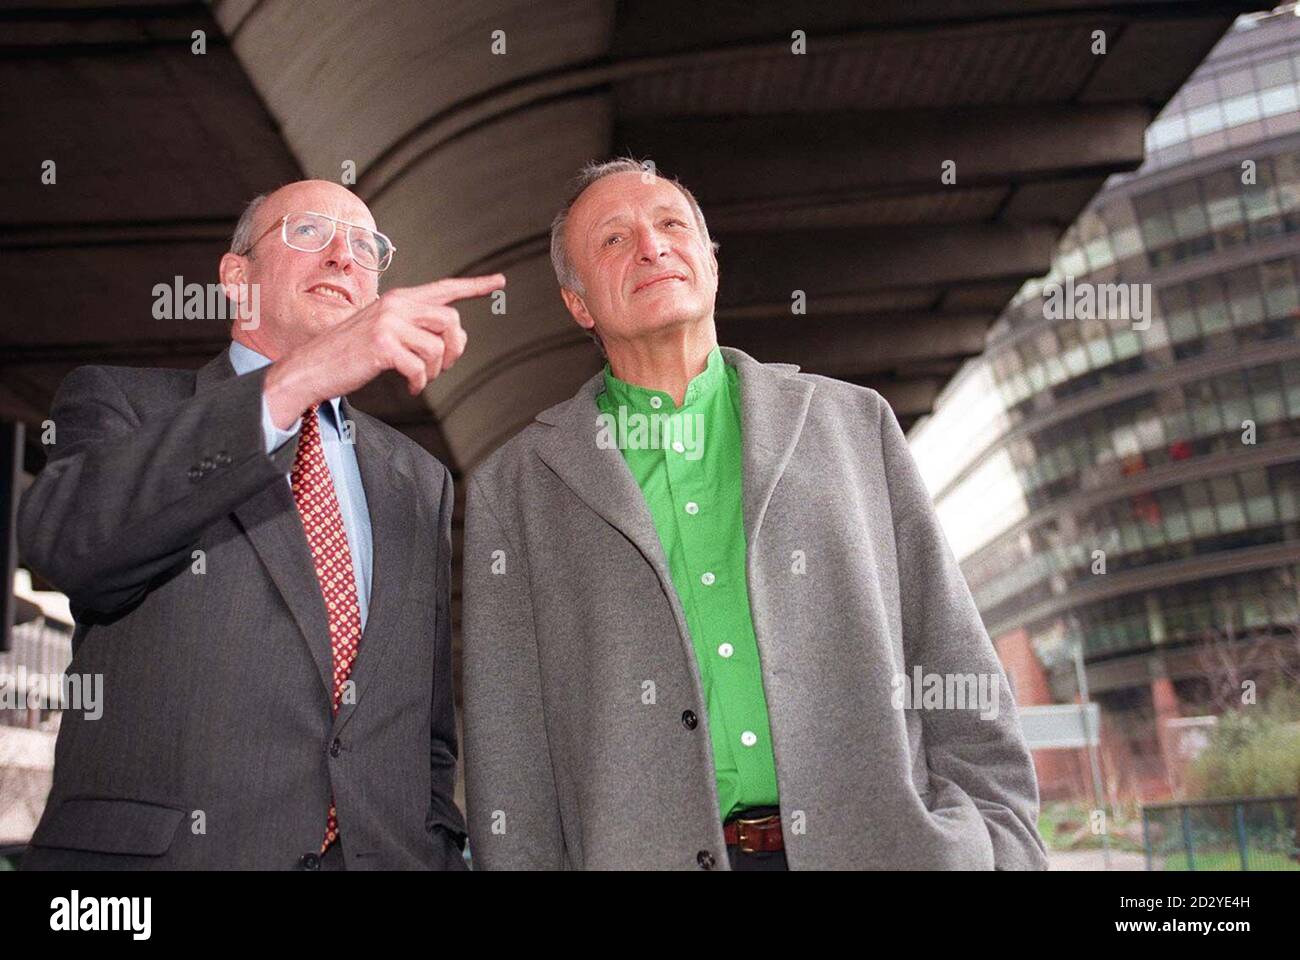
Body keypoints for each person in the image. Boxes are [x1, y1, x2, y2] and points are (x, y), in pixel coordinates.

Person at [461, 159, 1047, 870]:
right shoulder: (516, 488)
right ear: (578, 303)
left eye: (672, 225)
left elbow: (953, 659)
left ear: (710, 263)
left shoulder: (853, 425)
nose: (652, 247)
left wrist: (1003, 848)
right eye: (614, 240)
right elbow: (511, 750)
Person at [19, 179, 503, 870]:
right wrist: (294, 383)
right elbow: (67, 544)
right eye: (309, 232)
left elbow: (425, 725)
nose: (344, 256)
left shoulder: (419, 478)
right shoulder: (124, 403)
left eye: (366, 246)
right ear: (235, 277)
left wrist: (438, 845)